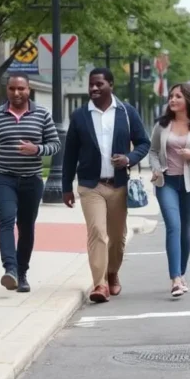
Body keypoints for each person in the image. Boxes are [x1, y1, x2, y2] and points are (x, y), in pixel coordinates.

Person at [61, 68, 151, 303]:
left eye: (99, 84)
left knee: (117, 236)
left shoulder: (126, 112)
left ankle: (112, 272)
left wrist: (129, 159)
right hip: (91, 186)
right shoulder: (80, 115)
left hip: (118, 186)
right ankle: (99, 284)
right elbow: (69, 153)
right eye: (91, 84)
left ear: (111, 85)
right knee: (98, 233)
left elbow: (143, 142)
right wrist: (66, 187)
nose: (93, 88)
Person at [0, 73, 61, 292]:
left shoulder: (42, 114)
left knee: (26, 227)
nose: (16, 93)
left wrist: (37, 149)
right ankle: (10, 270)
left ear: (28, 89)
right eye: (12, 88)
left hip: (31, 180)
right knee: (5, 220)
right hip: (4, 178)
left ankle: (22, 273)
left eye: (20, 89)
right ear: (7, 90)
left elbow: (55, 144)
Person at [148, 83, 190, 297]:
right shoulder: (162, 125)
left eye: (178, 96)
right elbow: (153, 151)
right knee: (173, 226)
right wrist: (157, 169)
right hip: (166, 182)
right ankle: (175, 278)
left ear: (188, 100)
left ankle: (182, 274)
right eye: (171, 96)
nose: (173, 100)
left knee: (185, 230)